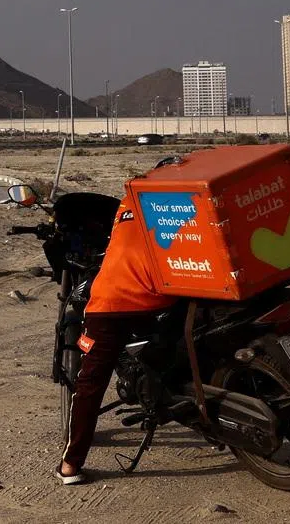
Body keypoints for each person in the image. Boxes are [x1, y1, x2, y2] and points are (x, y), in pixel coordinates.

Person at [57, 157, 180, 485]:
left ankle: (70, 465)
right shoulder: (183, 206)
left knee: (90, 382)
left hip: (112, 304)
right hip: (166, 300)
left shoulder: (130, 198)